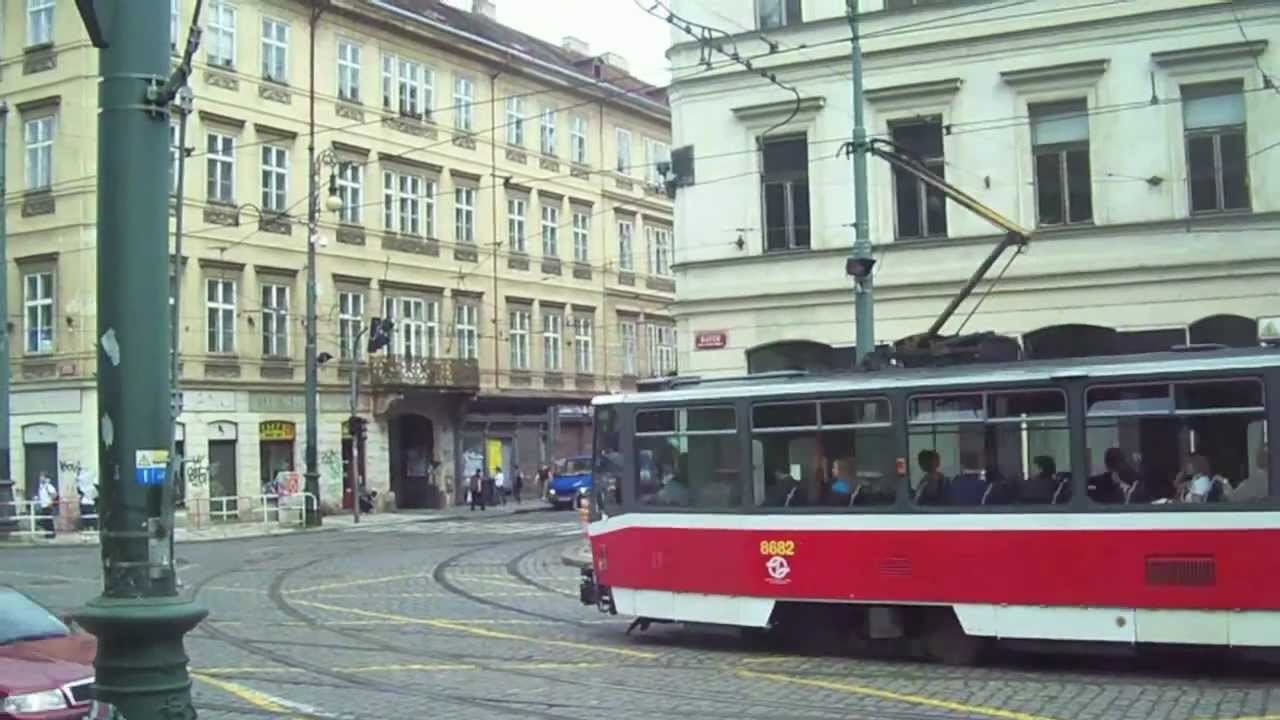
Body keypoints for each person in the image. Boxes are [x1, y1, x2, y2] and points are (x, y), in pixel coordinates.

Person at [36, 472, 58, 538]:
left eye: (42, 477)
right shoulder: (41, 487)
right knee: (45, 521)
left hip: (48, 505)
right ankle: (47, 533)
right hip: (43, 505)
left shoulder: (48, 486)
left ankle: (51, 534)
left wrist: (51, 502)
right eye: (40, 477)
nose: (40, 478)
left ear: (45, 478)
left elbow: (54, 495)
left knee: (49, 521)